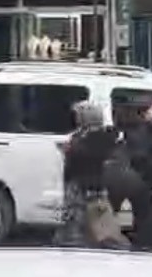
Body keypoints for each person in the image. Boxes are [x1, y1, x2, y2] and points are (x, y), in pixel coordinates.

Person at [54, 101, 126, 249]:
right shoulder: (81, 135)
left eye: (78, 115)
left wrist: (70, 150)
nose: (76, 119)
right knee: (78, 217)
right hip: (77, 183)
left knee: (92, 219)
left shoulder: (100, 137)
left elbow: (90, 155)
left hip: (89, 184)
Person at [108, 94, 152, 251]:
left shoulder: (144, 130)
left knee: (144, 213)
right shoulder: (140, 132)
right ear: (143, 112)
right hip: (142, 181)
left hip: (140, 181)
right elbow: (143, 157)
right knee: (150, 215)